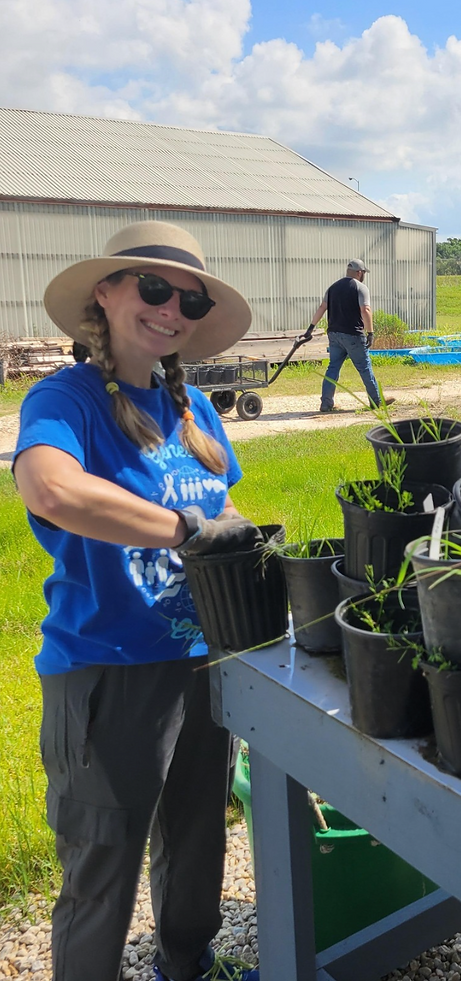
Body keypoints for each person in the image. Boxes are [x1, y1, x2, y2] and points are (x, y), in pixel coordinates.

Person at [14, 220, 264, 981]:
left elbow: (227, 524)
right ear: (106, 291)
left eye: (189, 299)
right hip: (109, 669)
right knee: (104, 865)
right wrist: (182, 527)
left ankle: (185, 965)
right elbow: (50, 486)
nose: (172, 308)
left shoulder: (196, 410)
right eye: (154, 288)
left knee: (196, 844)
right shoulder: (69, 397)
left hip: (199, 662)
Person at [305, 258, 393, 412]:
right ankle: (376, 401)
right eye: (363, 272)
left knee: (332, 368)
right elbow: (365, 310)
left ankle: (326, 403)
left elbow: (322, 307)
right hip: (353, 334)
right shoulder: (360, 288)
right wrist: (370, 332)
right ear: (359, 273)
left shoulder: (332, 287)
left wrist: (311, 328)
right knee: (364, 368)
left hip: (334, 334)